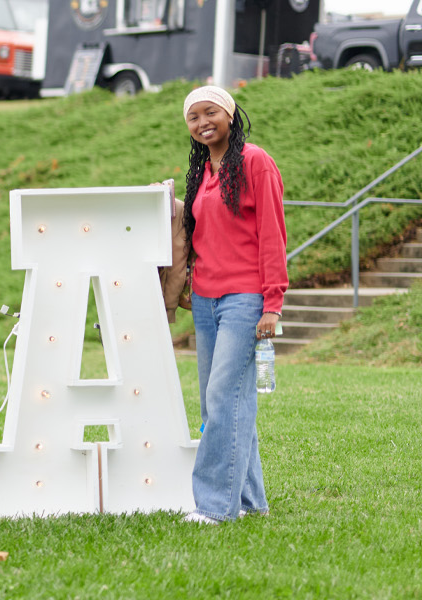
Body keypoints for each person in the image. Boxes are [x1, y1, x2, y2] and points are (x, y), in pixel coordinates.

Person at [176, 86, 285, 525]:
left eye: (211, 112)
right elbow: (201, 234)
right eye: (193, 117)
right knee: (218, 401)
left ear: (230, 113)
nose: (203, 122)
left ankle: (215, 507)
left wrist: (273, 302)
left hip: (245, 299)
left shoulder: (256, 161)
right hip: (205, 299)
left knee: (224, 396)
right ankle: (250, 501)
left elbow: (272, 233)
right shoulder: (202, 171)